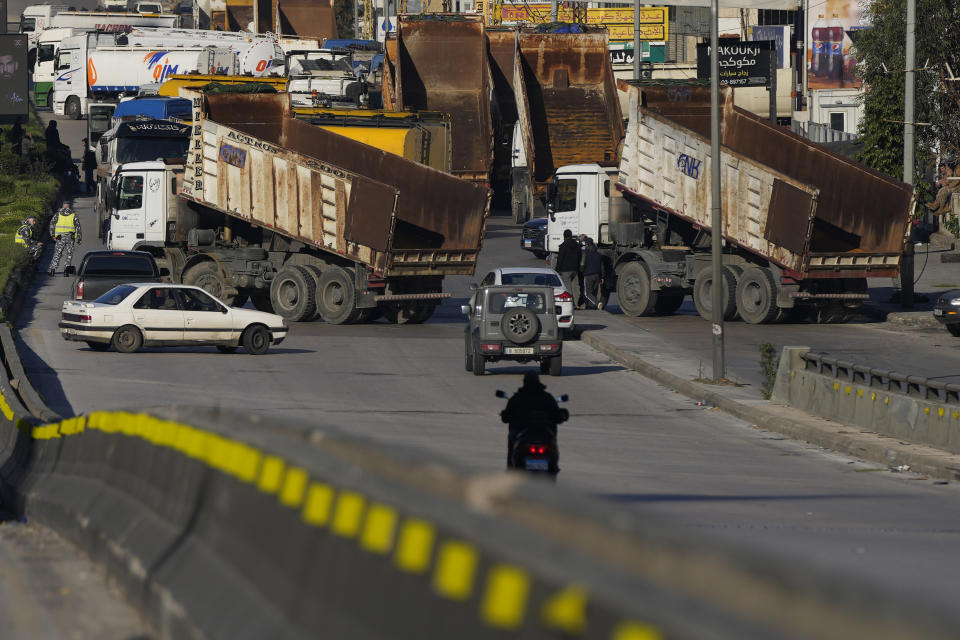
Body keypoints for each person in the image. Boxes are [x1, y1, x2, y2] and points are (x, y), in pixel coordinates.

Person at [500, 371, 565, 469]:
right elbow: (557, 416)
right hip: (540, 436)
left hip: (529, 435)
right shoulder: (547, 397)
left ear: (525, 382)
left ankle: (510, 468)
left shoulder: (517, 398)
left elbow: (506, 418)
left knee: (512, 443)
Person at [48, 203, 81, 276]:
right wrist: (78, 238)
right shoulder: (73, 215)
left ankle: (52, 270)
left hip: (60, 237)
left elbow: (52, 225)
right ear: (69, 207)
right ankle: (66, 272)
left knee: (57, 253)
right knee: (69, 254)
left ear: (62, 206)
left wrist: (53, 235)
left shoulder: (57, 214)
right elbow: (77, 227)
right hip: (70, 237)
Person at [555, 229, 581, 308]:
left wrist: (557, 270)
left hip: (565, 270)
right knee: (575, 287)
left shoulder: (563, 246)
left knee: (567, 288)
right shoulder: (576, 245)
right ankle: (577, 304)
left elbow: (560, 259)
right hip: (575, 270)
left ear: (564, 236)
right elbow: (580, 256)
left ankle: (571, 304)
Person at [580, 237, 606, 310]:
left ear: (587, 244)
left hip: (588, 275)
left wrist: (582, 271)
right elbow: (602, 267)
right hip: (597, 275)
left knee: (587, 293)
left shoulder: (585, 253)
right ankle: (591, 307)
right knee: (593, 292)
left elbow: (582, 264)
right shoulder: (598, 254)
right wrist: (602, 277)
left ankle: (597, 304)